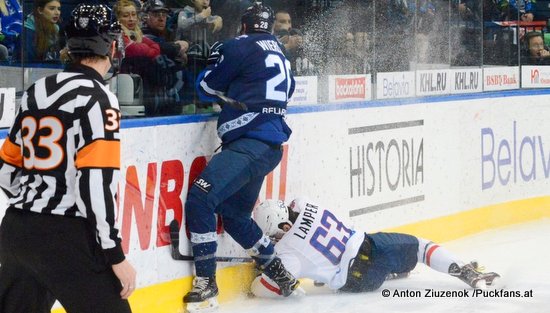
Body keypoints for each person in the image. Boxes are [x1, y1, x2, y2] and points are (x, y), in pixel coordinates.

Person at [0, 4, 136, 313]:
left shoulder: (36, 91)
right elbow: (95, 184)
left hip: (17, 232)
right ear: (112, 46)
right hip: (68, 239)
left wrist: (35, 205)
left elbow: (6, 169)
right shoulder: (100, 99)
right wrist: (115, 254)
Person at [182, 2, 298, 312]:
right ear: (270, 27)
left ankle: (206, 282)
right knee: (234, 217)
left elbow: (205, 86)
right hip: (269, 146)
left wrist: (212, 64)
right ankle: (278, 271)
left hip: (249, 143)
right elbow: (286, 91)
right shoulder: (281, 53)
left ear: (243, 25)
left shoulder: (238, 46)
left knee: (200, 198)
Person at [251, 198, 501, 298]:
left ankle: (389, 272)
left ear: (283, 225)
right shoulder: (306, 204)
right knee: (422, 248)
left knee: (324, 275)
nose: (273, 239)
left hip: (358, 281)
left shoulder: (287, 254)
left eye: (274, 233)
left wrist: (263, 264)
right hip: (371, 247)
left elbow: (265, 289)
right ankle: (466, 272)